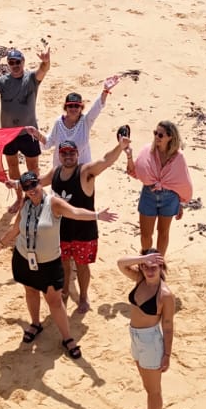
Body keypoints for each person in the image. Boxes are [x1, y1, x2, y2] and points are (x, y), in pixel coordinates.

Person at [0, 172, 116, 357]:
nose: (31, 190)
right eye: (26, 187)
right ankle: (35, 324)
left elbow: (75, 212)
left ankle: (67, 338)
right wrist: (0, 243)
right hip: (24, 258)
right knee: (31, 291)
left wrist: (97, 215)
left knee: (55, 302)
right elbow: (16, 229)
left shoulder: (53, 203)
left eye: (33, 185)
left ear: (40, 183)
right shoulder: (25, 204)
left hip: (49, 263)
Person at [50, 134, 128, 314]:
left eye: (71, 153)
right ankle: (65, 291)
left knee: (82, 265)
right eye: (64, 153)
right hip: (61, 229)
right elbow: (36, 183)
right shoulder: (55, 173)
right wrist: (16, 183)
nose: (68, 156)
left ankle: (84, 296)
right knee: (63, 263)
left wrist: (120, 147)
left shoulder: (85, 172)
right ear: (59, 155)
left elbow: (105, 161)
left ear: (78, 154)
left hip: (84, 230)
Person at [117, 252, 174, 409]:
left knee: (154, 390)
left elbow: (168, 326)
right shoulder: (140, 279)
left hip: (151, 343)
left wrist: (167, 355)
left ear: (161, 266)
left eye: (154, 267)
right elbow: (121, 263)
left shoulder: (165, 295)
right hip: (135, 337)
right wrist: (142, 259)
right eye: (145, 267)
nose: (149, 271)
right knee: (147, 385)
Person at [0, 45, 50, 181]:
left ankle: (33, 193)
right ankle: (19, 194)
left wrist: (45, 61)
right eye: (11, 62)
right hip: (8, 133)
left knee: (33, 167)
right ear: (8, 64)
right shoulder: (2, 81)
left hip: (29, 133)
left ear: (23, 62)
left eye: (17, 62)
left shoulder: (31, 78)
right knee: (12, 166)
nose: (15, 65)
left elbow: (43, 70)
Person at [126, 120, 193, 257]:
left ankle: (159, 264)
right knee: (145, 235)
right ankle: (146, 261)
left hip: (170, 198)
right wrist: (129, 156)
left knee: (163, 233)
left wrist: (180, 204)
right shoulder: (147, 150)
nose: (157, 136)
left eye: (161, 135)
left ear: (170, 137)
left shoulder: (178, 157)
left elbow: (183, 182)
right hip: (148, 194)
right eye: (155, 133)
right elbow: (134, 171)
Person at [38, 83, 113, 166]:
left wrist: (106, 91)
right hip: (61, 169)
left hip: (82, 169)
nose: (73, 108)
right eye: (70, 106)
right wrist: (37, 135)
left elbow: (97, 107)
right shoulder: (58, 122)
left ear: (81, 108)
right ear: (65, 108)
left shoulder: (86, 121)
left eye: (76, 106)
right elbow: (49, 142)